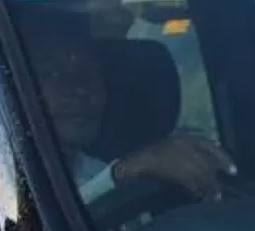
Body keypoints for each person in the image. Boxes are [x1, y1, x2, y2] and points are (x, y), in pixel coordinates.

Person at [26, 24, 237, 204]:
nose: (80, 88)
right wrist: (121, 176)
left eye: (90, 72)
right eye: (50, 73)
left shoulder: (109, 176)